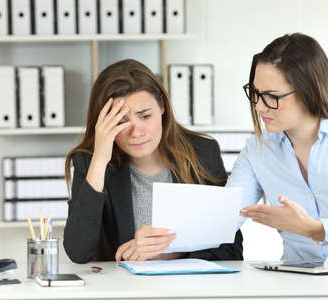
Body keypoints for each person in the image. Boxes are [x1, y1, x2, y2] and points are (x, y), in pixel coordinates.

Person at [227, 33, 328, 263]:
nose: (259, 107)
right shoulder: (256, 151)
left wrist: (315, 229)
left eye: (271, 97)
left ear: (308, 91)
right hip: (298, 280)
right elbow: (224, 218)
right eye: (255, 94)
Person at [63, 59, 243, 263]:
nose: (136, 132)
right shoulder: (90, 163)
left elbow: (231, 250)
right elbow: (78, 252)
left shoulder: (202, 153)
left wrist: (167, 251)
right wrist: (100, 159)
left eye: (145, 116)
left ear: (162, 106)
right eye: (120, 122)